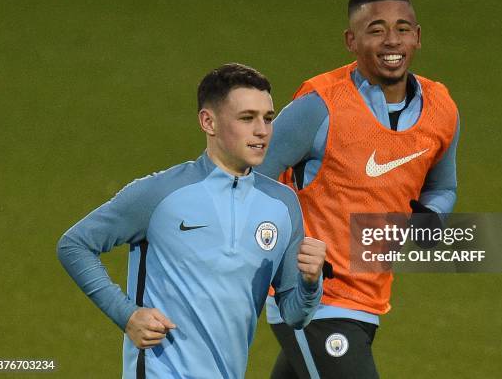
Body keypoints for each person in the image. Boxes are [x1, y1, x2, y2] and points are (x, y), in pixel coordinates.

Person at [57, 63, 326, 378]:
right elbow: (75, 244)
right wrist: (128, 316)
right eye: (246, 118)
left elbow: (294, 315)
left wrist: (310, 282)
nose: (262, 131)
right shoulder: (161, 193)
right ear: (208, 122)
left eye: (268, 118)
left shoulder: (282, 205)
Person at [255, 0, 460, 379]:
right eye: (376, 29)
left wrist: (432, 216)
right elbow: (250, 175)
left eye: (402, 28)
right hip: (313, 300)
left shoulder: (441, 109)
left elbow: (442, 187)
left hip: (368, 299)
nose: (391, 41)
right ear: (351, 40)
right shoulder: (319, 107)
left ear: (417, 37)